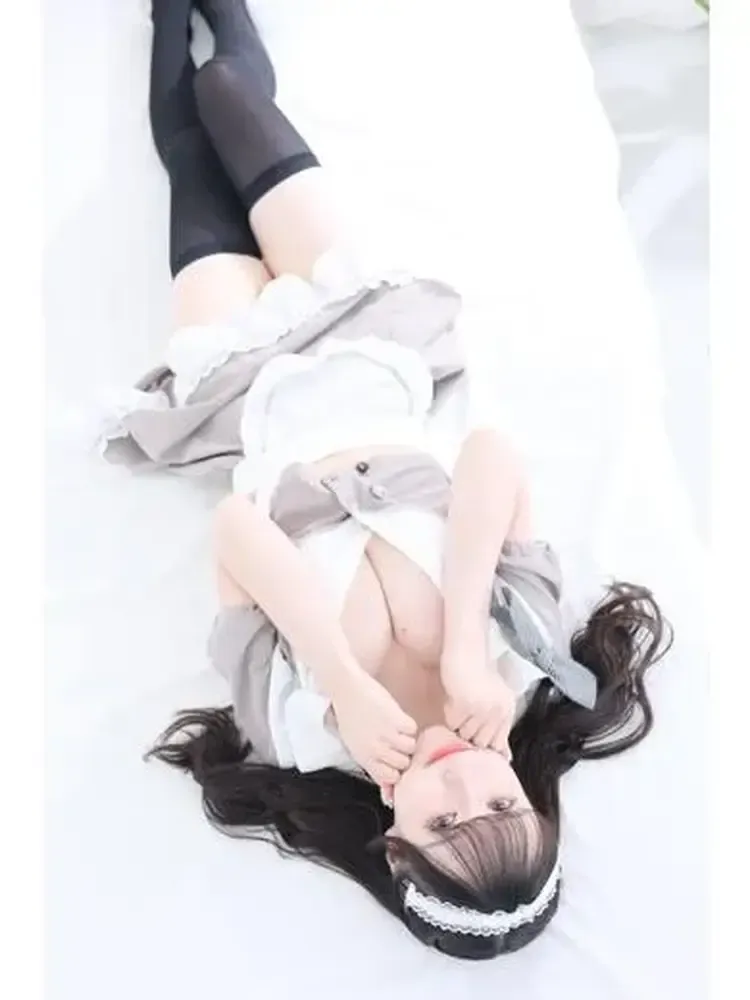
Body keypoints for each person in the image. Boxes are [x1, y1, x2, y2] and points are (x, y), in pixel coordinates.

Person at [127, 1, 671, 960]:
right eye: (501, 804)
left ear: (395, 842)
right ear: (529, 793)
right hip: (366, 346)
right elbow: (491, 454)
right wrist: (463, 641)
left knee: (186, 148)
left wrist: (343, 681)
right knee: (228, 88)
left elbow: (240, 531)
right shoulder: (517, 665)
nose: (464, 784)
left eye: (444, 823)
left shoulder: (302, 732)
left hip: (239, 389)